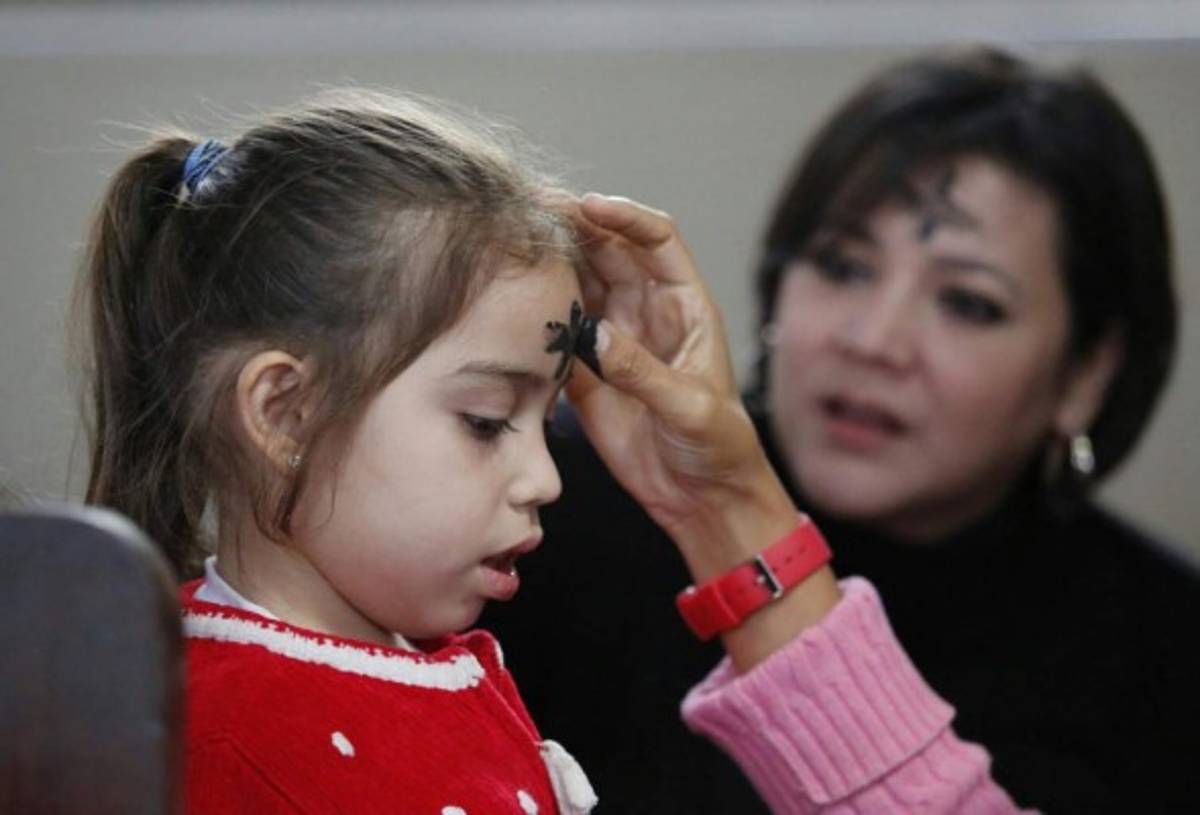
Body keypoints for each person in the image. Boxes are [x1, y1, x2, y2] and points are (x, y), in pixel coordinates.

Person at [74, 91, 1027, 813]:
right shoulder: (203, 734)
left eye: (541, 421)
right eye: (488, 421)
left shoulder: (445, 663)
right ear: (282, 412)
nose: (545, 477)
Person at [483, 46, 1200, 813]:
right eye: (843, 266)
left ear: (1087, 373)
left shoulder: (1171, 659)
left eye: (968, 303)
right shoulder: (546, 498)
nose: (872, 340)